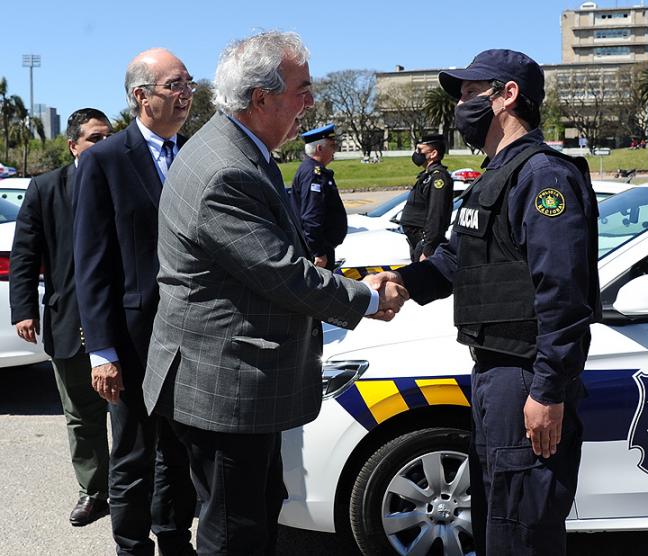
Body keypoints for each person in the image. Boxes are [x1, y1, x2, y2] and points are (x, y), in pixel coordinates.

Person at [141, 31, 407, 554]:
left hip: (231, 383)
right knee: (236, 532)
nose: (311, 101)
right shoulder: (226, 169)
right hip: (226, 387)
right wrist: (369, 299)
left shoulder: (238, 149)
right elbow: (282, 272)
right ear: (261, 98)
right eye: (302, 88)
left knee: (254, 513)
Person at [374, 49, 600, 555]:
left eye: (472, 93)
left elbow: (563, 298)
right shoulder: (496, 177)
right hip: (494, 372)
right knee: (498, 519)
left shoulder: (544, 178)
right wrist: (403, 283)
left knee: (524, 528)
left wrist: (548, 390)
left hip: (525, 375)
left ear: (508, 95)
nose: (461, 105)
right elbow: (457, 259)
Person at [72, 49, 197, 555]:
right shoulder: (106, 160)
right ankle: (130, 544)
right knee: (132, 456)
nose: (186, 92)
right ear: (141, 96)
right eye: (174, 84)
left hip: (191, 337)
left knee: (180, 452)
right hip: (131, 341)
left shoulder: (195, 154)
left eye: (188, 81)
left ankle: (173, 536)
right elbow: (92, 262)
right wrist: (101, 350)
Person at [9, 108, 112, 527]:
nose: (103, 145)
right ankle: (94, 491)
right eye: (94, 138)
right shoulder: (46, 187)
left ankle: (135, 489)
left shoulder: (122, 181)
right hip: (68, 322)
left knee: (131, 417)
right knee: (82, 417)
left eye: (109, 137)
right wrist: (24, 311)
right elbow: (24, 254)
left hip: (122, 324)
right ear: (73, 145)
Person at [290, 123, 346, 268]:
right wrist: (319, 252)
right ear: (319, 148)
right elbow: (311, 216)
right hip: (316, 252)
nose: (335, 150)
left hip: (320, 248)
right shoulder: (313, 174)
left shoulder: (313, 170)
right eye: (332, 146)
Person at [401, 134, 453, 262]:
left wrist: (428, 249)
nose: (416, 153)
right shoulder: (427, 176)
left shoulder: (438, 177)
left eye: (420, 150)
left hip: (425, 243)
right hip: (417, 242)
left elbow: (436, 214)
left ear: (433, 153)